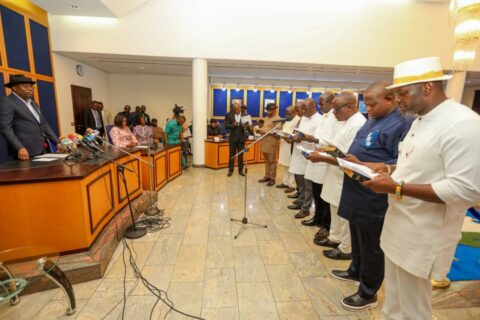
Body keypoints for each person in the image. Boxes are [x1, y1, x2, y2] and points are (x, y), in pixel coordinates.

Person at [362, 57, 480, 319]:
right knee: (394, 302)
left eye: (403, 93)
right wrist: (389, 170)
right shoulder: (420, 119)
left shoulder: (462, 124)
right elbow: (419, 167)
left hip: (424, 234)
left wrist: (396, 187)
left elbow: (466, 190)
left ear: (427, 87)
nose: (398, 100)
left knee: (414, 310)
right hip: (399, 226)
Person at [329, 81, 412, 311]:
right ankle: (355, 269)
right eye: (367, 104)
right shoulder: (373, 119)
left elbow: (402, 164)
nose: (368, 108)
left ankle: (368, 292)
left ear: (390, 99)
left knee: (371, 244)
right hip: (356, 187)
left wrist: (364, 163)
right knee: (357, 234)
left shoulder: (402, 123)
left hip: (373, 196)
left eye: (373, 104)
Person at [308, 92, 366, 260]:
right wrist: (324, 150)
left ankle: (346, 248)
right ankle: (335, 238)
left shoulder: (358, 124)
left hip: (343, 177)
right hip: (333, 173)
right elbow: (335, 146)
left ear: (349, 107)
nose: (333, 113)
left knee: (343, 214)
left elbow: (347, 157)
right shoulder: (344, 121)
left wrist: (322, 156)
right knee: (334, 208)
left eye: (336, 109)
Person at [0, 74, 60, 160]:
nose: (30, 88)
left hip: (41, 148)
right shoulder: (7, 102)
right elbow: (5, 128)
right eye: (25, 86)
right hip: (24, 152)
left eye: (31, 86)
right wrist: (19, 147)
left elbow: (43, 124)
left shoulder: (33, 103)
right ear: (14, 88)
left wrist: (57, 142)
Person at [300, 92, 336, 233]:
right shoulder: (324, 117)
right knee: (316, 191)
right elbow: (320, 135)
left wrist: (314, 140)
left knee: (323, 195)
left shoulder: (334, 117)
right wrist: (311, 138)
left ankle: (325, 224)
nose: (319, 106)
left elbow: (329, 140)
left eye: (321, 103)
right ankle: (317, 217)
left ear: (331, 102)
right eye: (319, 103)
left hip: (325, 160)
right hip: (316, 156)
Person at [287, 99, 323, 218]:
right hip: (299, 152)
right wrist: (295, 137)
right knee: (300, 180)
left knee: (308, 185)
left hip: (310, 156)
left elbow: (319, 140)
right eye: (301, 109)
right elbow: (299, 132)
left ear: (313, 107)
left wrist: (304, 138)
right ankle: (301, 200)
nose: (302, 111)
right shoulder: (304, 118)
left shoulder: (320, 119)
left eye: (304, 109)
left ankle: (305, 208)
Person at [276, 105, 300, 193]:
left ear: (294, 112)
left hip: (291, 145)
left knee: (291, 165)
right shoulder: (288, 120)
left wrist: (288, 137)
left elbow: (296, 133)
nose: (286, 115)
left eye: (288, 113)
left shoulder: (297, 120)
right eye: (286, 113)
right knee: (285, 165)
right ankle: (285, 182)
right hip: (284, 144)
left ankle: (292, 185)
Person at [257, 103, 282, 186]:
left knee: (272, 161)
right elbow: (265, 128)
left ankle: (272, 178)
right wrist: (260, 130)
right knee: (267, 161)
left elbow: (278, 133)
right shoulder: (267, 118)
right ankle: (267, 176)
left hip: (272, 143)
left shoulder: (277, 119)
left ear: (274, 110)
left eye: (270, 110)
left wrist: (266, 132)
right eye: (267, 110)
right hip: (264, 142)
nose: (268, 111)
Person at [224, 103, 247, 176]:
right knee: (232, 155)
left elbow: (248, 127)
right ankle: (230, 170)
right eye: (236, 109)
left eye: (239, 108)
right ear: (233, 109)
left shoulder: (245, 115)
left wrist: (246, 126)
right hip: (233, 138)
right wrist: (233, 125)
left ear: (240, 108)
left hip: (241, 139)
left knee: (241, 155)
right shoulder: (229, 115)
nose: (238, 110)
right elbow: (226, 126)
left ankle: (240, 170)